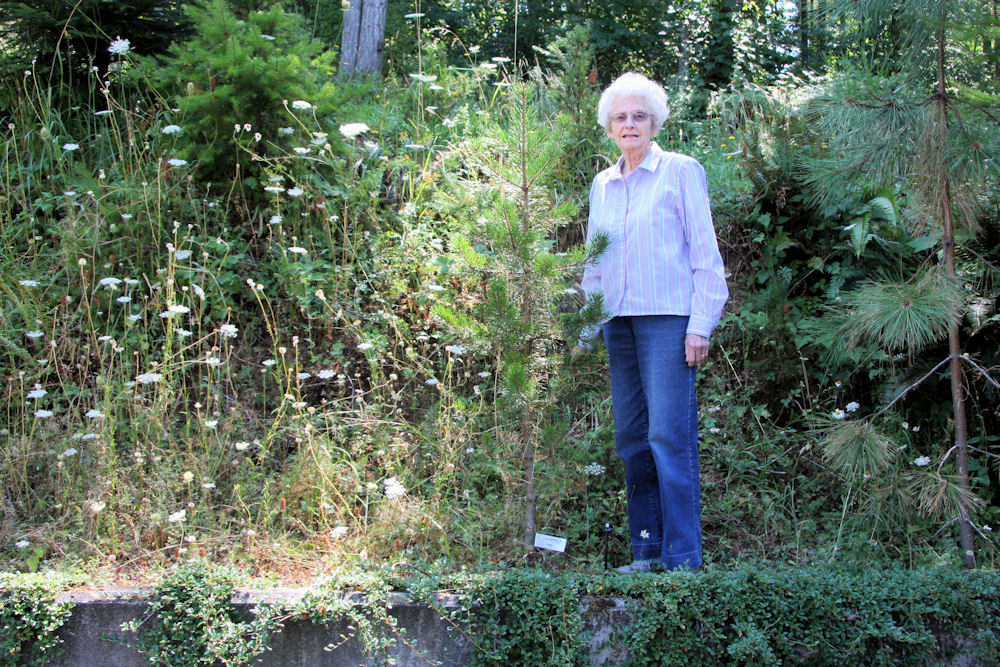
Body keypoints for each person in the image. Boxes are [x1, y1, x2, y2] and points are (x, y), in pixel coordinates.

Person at [578, 72, 728, 573]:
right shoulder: (603, 183)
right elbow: (594, 262)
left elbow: (705, 253)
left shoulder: (681, 171)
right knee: (632, 440)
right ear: (608, 127)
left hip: (668, 321)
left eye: (639, 115)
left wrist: (700, 324)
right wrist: (587, 323)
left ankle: (683, 558)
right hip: (617, 324)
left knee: (669, 436)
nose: (629, 124)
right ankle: (646, 553)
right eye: (620, 117)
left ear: (655, 121)